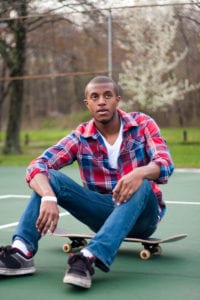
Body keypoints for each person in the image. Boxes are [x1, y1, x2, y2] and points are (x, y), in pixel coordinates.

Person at [0, 76, 174, 288]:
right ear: (88, 103)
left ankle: (89, 257)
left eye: (107, 96)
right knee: (50, 178)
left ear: (117, 100)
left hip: (142, 217)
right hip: (102, 213)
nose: (101, 101)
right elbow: (38, 165)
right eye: (95, 97)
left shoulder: (142, 124)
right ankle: (21, 252)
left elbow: (164, 163)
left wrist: (140, 173)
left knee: (142, 182)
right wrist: (48, 195)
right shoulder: (80, 137)